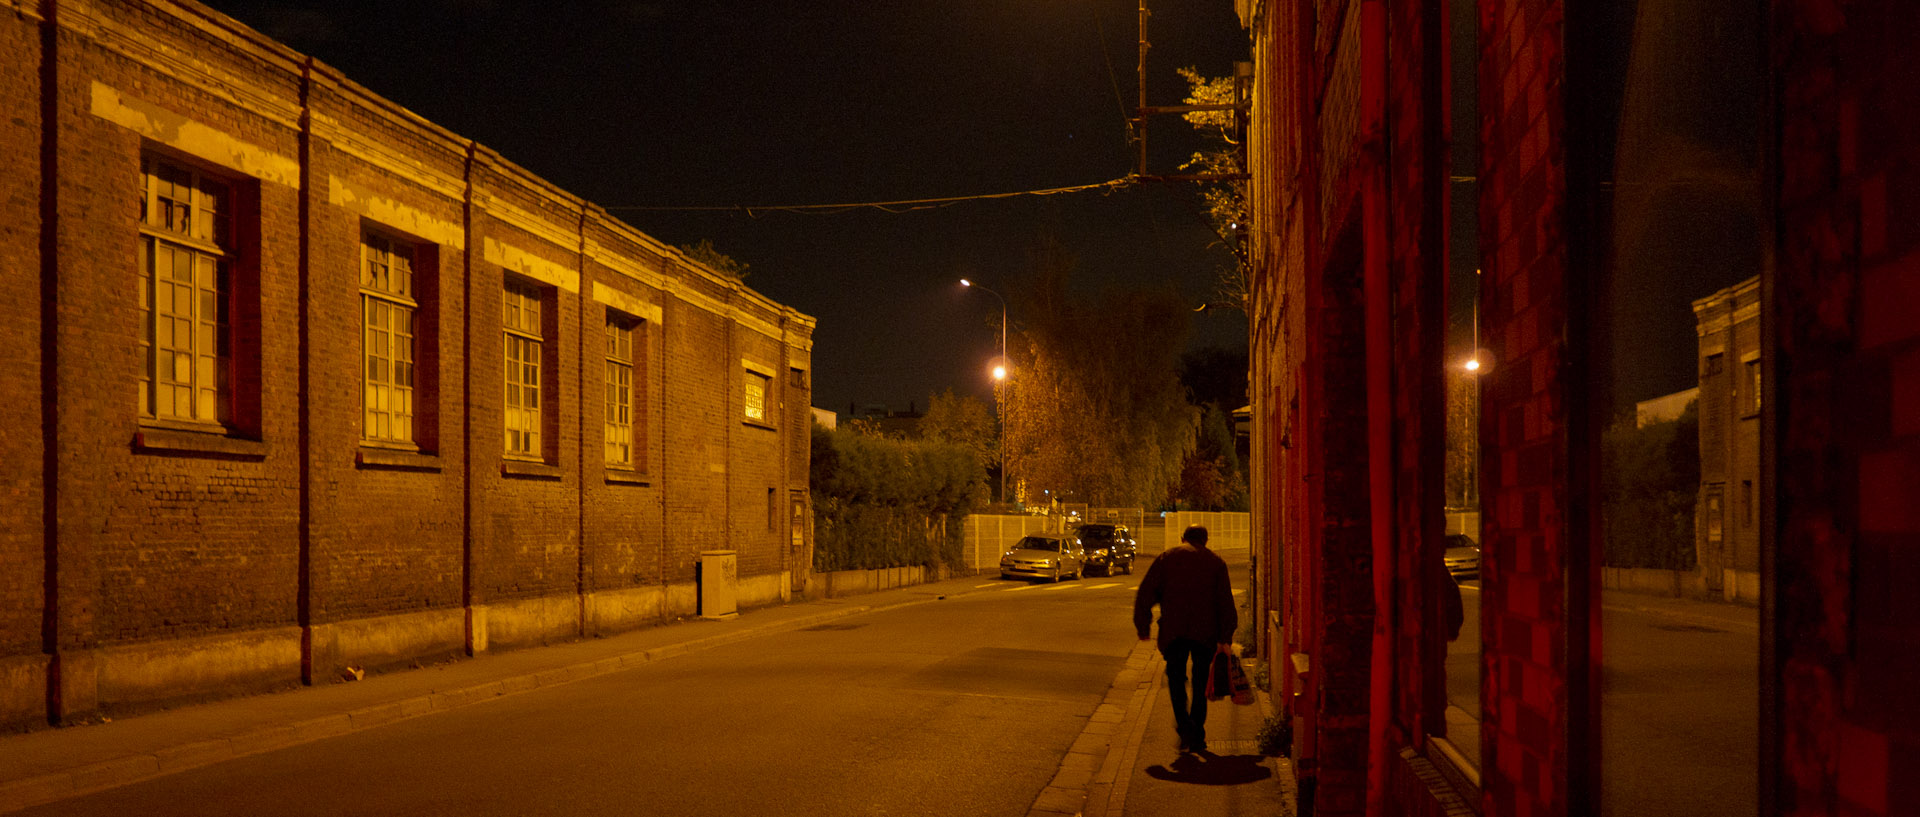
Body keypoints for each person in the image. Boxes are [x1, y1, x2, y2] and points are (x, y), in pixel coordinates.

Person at [1133, 524, 1238, 753]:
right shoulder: (1216, 563)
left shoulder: (1167, 558)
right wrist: (1225, 637)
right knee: (1201, 681)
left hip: (1174, 632)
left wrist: (1143, 626)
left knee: (1176, 679)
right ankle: (1197, 732)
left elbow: (1146, 592)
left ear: (1183, 538)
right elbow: (1225, 603)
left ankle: (1184, 727)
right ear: (1206, 540)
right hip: (1205, 633)